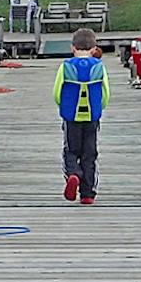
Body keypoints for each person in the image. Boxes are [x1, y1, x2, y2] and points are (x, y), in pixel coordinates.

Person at [53, 28, 109, 205]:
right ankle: (87, 194)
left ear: (72, 48)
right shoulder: (99, 67)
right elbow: (106, 93)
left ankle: (73, 174)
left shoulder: (65, 66)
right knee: (89, 154)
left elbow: (57, 91)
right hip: (92, 117)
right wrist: (100, 109)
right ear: (94, 49)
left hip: (71, 118)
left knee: (70, 150)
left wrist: (62, 106)